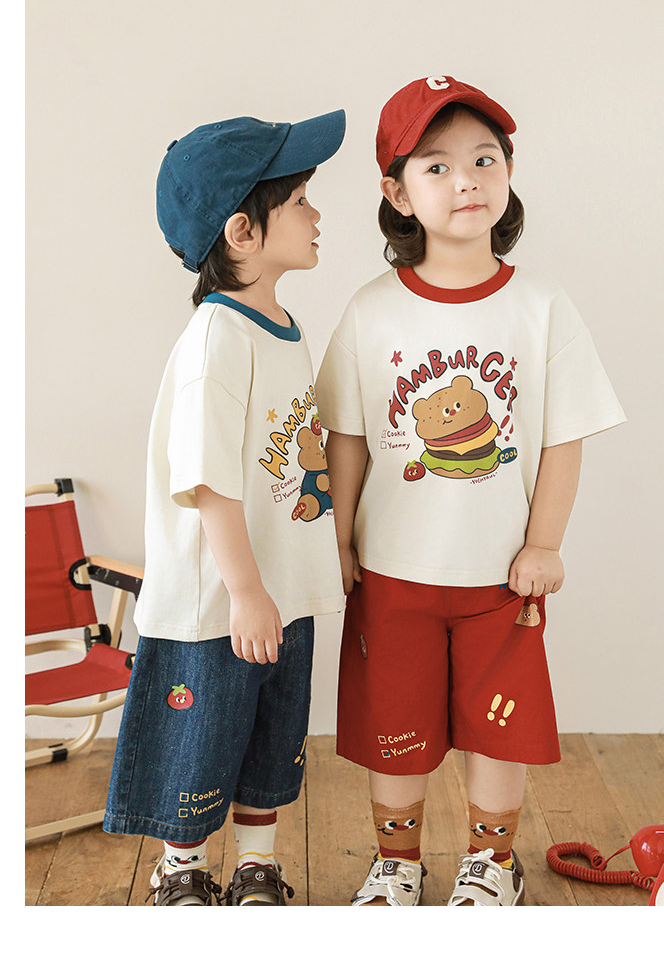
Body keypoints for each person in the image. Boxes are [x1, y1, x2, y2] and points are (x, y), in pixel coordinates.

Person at [315, 76, 625, 907]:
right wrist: (337, 540)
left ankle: (491, 863)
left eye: (485, 160)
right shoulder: (371, 311)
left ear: (509, 173)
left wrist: (545, 542)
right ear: (398, 194)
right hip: (392, 570)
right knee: (395, 728)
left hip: (501, 579)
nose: (467, 181)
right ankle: (397, 863)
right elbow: (347, 438)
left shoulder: (543, 306)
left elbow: (563, 435)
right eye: (438, 167)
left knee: (500, 726)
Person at [104, 109, 347, 906]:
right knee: (201, 736)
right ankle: (181, 867)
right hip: (222, 601)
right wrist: (244, 591)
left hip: (280, 585)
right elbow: (208, 481)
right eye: (301, 201)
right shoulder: (218, 339)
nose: (317, 214)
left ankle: (256, 863)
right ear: (243, 231)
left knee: (270, 736)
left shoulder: (281, 327)